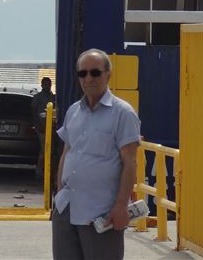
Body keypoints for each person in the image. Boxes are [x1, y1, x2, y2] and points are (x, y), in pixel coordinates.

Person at [52, 49, 141, 260]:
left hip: (101, 213)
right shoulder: (73, 111)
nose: (88, 78)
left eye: (95, 72)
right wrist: (58, 198)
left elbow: (130, 163)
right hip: (67, 209)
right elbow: (67, 154)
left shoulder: (123, 113)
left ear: (108, 74)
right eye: (82, 74)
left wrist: (121, 206)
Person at [31, 76, 56, 180]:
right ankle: (40, 171)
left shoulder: (53, 97)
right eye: (45, 84)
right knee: (44, 150)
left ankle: (51, 171)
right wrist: (38, 125)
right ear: (41, 85)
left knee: (53, 150)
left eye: (49, 84)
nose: (47, 86)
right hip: (42, 128)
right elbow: (34, 113)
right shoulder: (37, 97)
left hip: (53, 128)